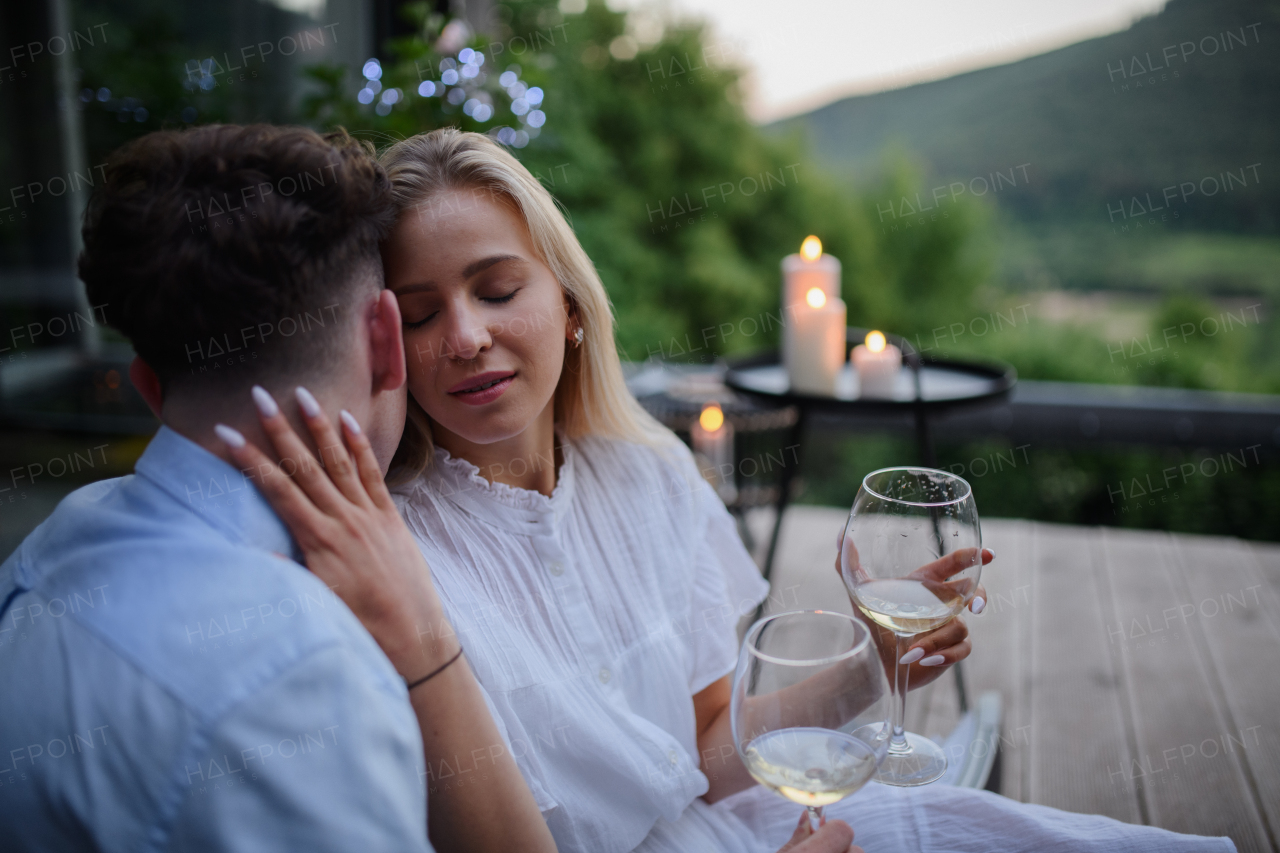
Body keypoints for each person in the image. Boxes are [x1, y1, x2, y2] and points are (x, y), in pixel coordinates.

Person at [222, 127, 1234, 853]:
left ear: (569, 304)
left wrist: (869, 664)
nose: (468, 337)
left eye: (496, 289)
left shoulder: (648, 472)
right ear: (386, 344)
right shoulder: (388, 551)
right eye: (420, 311)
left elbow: (709, 746)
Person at [0, 124, 556, 853]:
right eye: (419, 314)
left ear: (146, 386)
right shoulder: (300, 670)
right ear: (387, 342)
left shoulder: (38, 561)